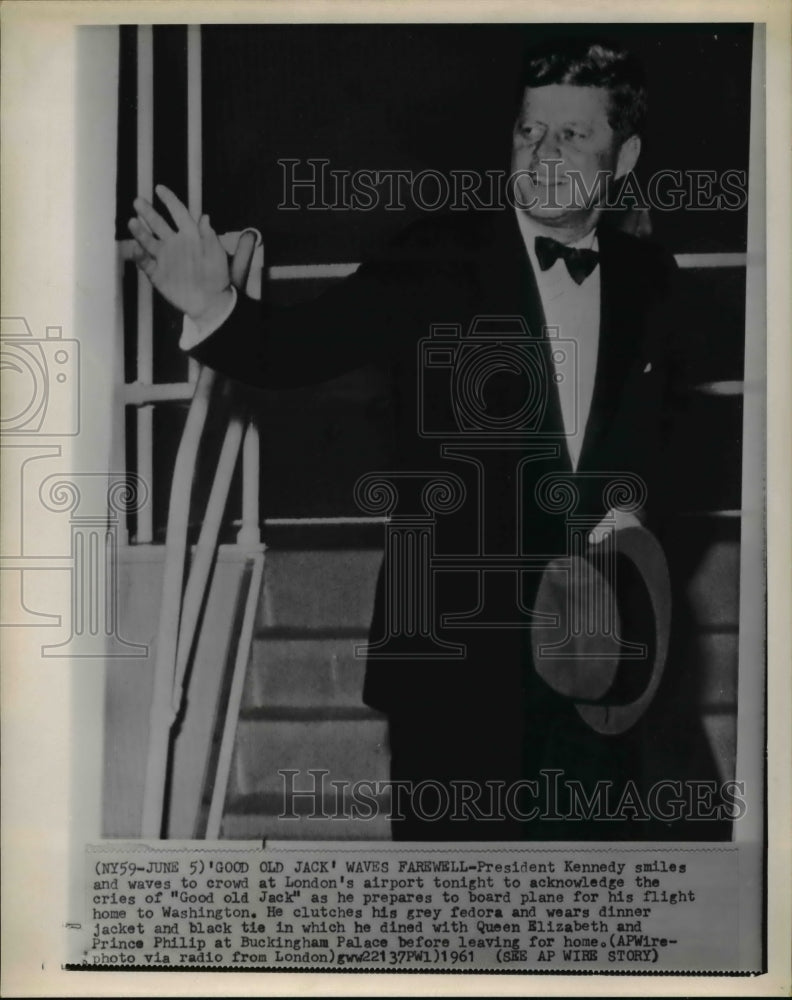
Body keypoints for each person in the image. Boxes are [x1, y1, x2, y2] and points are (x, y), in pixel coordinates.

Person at [129, 38, 725, 841]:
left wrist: (632, 508)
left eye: (572, 135)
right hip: (451, 660)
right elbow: (300, 349)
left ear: (625, 157)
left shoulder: (652, 277)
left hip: (594, 653)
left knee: (581, 906)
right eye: (527, 131)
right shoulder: (439, 254)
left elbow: (678, 433)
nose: (542, 153)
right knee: (456, 925)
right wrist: (215, 308)